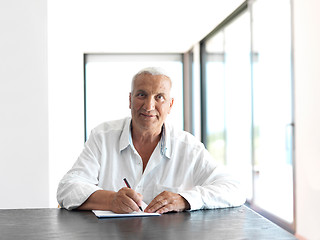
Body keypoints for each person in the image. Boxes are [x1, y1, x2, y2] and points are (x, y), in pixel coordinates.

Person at [57, 67, 245, 214]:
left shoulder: (188, 147)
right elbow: (66, 188)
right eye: (141, 95)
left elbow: (234, 189)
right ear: (130, 100)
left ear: (170, 105)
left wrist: (185, 200)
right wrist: (111, 200)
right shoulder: (102, 137)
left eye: (159, 97)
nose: (149, 106)